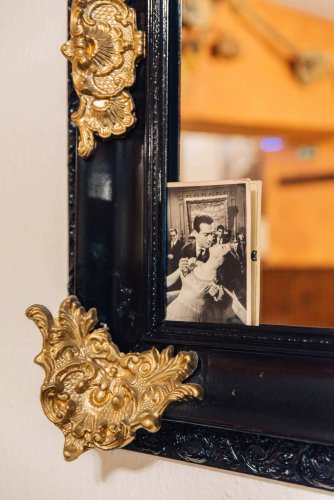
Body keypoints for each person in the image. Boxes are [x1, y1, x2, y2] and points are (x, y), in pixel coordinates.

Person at [166, 244, 246, 323]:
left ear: (221, 260)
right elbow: (170, 280)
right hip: (172, 310)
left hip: (191, 319)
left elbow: (237, 307)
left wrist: (254, 327)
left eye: (222, 247)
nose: (217, 244)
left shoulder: (216, 283)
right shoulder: (192, 262)